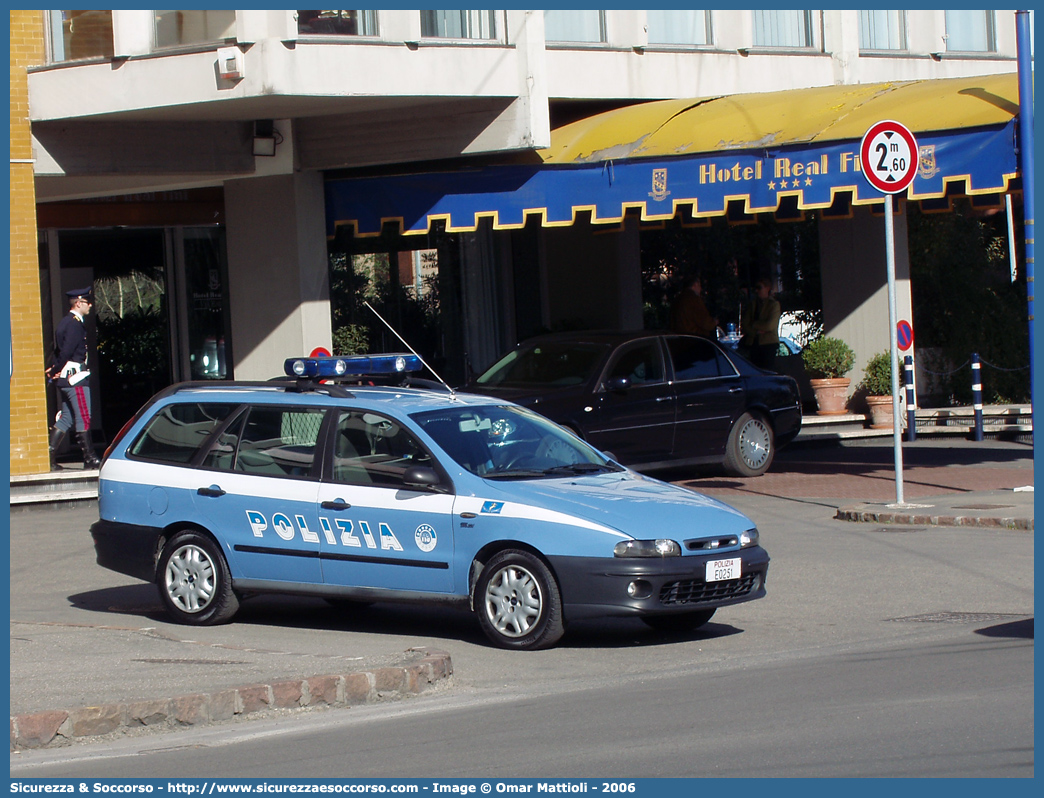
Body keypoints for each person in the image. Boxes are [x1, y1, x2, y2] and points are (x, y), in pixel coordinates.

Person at [45, 286, 100, 469]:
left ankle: (49, 457)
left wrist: (55, 368)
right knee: (83, 416)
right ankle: (90, 458)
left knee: (66, 418)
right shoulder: (75, 324)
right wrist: (56, 368)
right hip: (75, 377)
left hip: (65, 379)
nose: (90, 305)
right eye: (87, 302)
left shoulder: (64, 323)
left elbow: (58, 350)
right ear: (78, 303)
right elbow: (67, 351)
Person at [739, 277, 781, 371]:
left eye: (759, 288)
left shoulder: (774, 305)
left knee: (767, 370)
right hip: (753, 342)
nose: (757, 291)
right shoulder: (753, 304)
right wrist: (755, 332)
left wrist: (754, 324)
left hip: (768, 343)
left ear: (767, 288)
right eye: (756, 288)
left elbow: (770, 325)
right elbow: (745, 324)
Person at [669, 272, 718, 338]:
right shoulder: (693, 299)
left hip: (678, 338)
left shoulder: (678, 299)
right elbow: (705, 322)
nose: (700, 289)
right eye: (700, 285)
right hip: (695, 339)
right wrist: (714, 322)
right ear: (695, 284)